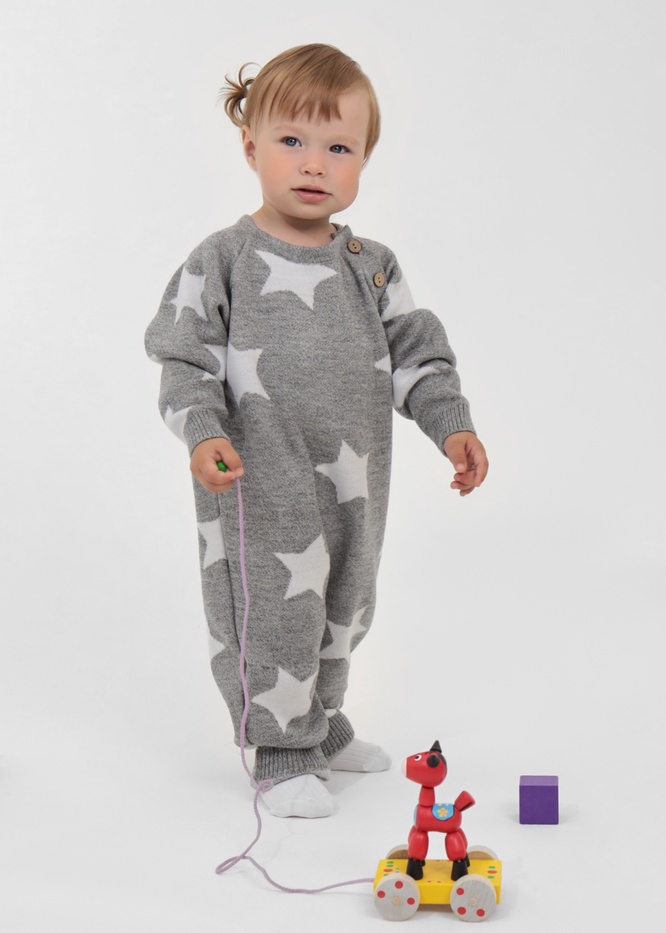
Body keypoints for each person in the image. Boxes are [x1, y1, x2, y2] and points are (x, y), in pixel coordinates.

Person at [145, 43, 488, 819]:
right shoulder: (224, 259)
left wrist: (451, 425)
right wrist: (202, 433)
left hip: (354, 483)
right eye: (292, 140)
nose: (313, 163)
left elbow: (418, 357)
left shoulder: (372, 267)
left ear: (364, 159)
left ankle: (319, 721)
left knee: (346, 603)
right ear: (251, 147)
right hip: (259, 482)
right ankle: (280, 747)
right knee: (275, 608)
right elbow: (182, 357)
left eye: (339, 148)